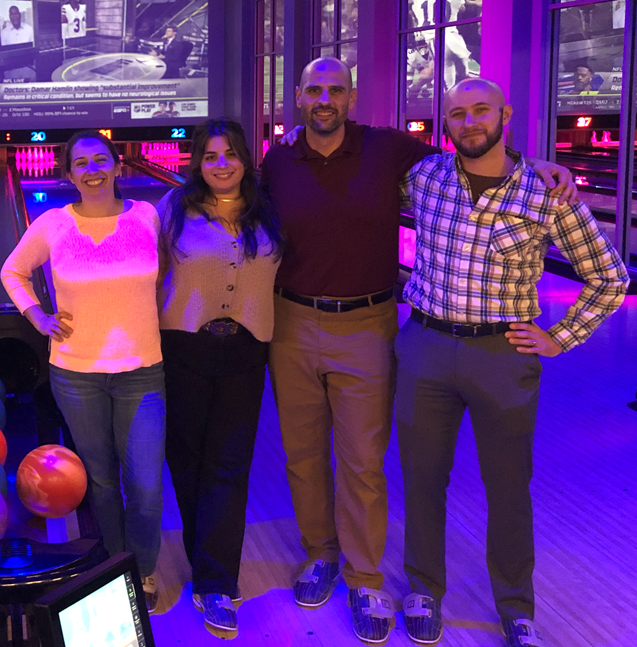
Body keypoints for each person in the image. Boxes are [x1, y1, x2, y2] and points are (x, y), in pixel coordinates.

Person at [264, 57, 576, 644]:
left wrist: (536, 165)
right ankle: (321, 554)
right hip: (294, 321)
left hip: (370, 320)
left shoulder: (391, 151)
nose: (325, 99)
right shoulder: (279, 160)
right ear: (299, 99)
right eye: (313, 90)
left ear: (351, 97)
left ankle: (362, 575)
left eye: (336, 89)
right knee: (303, 454)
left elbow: (479, 153)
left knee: (362, 459)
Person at [395, 78, 629, 647]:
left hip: (503, 354)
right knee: (423, 479)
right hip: (425, 344)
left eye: (481, 111)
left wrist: (560, 337)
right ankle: (424, 589)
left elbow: (611, 276)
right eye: (457, 114)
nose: (469, 122)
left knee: (507, 486)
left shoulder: (547, 193)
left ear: (505, 114)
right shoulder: (424, 179)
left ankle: (516, 607)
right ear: (444, 125)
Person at [1, 130, 166, 613]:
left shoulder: (147, 216)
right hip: (75, 371)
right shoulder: (54, 223)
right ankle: (117, 565)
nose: (92, 169)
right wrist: (38, 317)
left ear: (117, 165)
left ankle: (147, 567)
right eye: (81, 163)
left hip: (142, 369)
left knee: (147, 484)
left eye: (101, 159)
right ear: (69, 174)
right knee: (101, 480)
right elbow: (14, 271)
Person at [157, 118, 282, 633]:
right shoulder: (173, 209)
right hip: (184, 346)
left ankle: (215, 581)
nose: (222, 165)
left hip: (247, 350)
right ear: (197, 164)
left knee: (231, 462)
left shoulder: (267, 209)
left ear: (245, 159)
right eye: (211, 157)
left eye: (230, 154)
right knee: (187, 460)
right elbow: (137, 270)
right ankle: (201, 550)